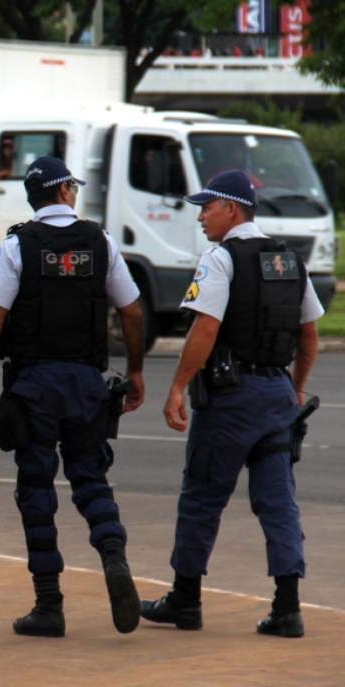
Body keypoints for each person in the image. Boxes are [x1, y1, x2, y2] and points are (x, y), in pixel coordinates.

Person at [0, 157, 146, 638]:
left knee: (36, 489)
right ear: (64, 191)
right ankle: (113, 555)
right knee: (91, 479)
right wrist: (136, 371)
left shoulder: (17, 246)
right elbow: (131, 312)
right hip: (87, 383)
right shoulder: (101, 242)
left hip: (34, 386)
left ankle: (49, 604)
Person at [141, 171, 322, 638]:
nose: (201, 216)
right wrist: (296, 389)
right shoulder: (290, 260)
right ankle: (287, 607)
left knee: (202, 496)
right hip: (276, 396)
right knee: (278, 502)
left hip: (230, 399)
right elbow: (308, 335)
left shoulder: (220, 258)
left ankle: (185, 600)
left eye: (207, 207)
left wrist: (177, 386)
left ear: (232, 209)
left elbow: (204, 327)